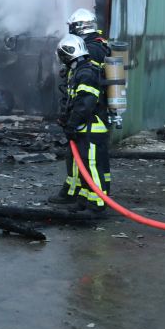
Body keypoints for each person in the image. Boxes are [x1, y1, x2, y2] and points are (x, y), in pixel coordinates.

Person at [48, 34, 111, 212]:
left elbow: (85, 103)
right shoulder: (79, 71)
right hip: (85, 127)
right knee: (83, 165)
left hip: (92, 128)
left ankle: (97, 203)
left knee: (92, 165)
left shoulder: (86, 73)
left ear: (69, 53)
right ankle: (84, 199)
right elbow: (73, 101)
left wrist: (72, 124)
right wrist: (66, 118)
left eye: (63, 55)